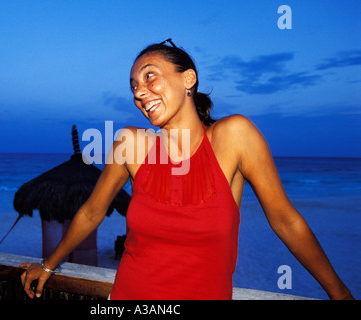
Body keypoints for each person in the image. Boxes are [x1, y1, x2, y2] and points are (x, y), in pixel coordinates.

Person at [20, 39, 353, 300]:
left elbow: (285, 219)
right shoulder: (131, 145)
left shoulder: (233, 137)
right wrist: (48, 265)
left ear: (188, 79)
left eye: (149, 75)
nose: (138, 91)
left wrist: (339, 293)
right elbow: (92, 212)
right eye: (133, 85)